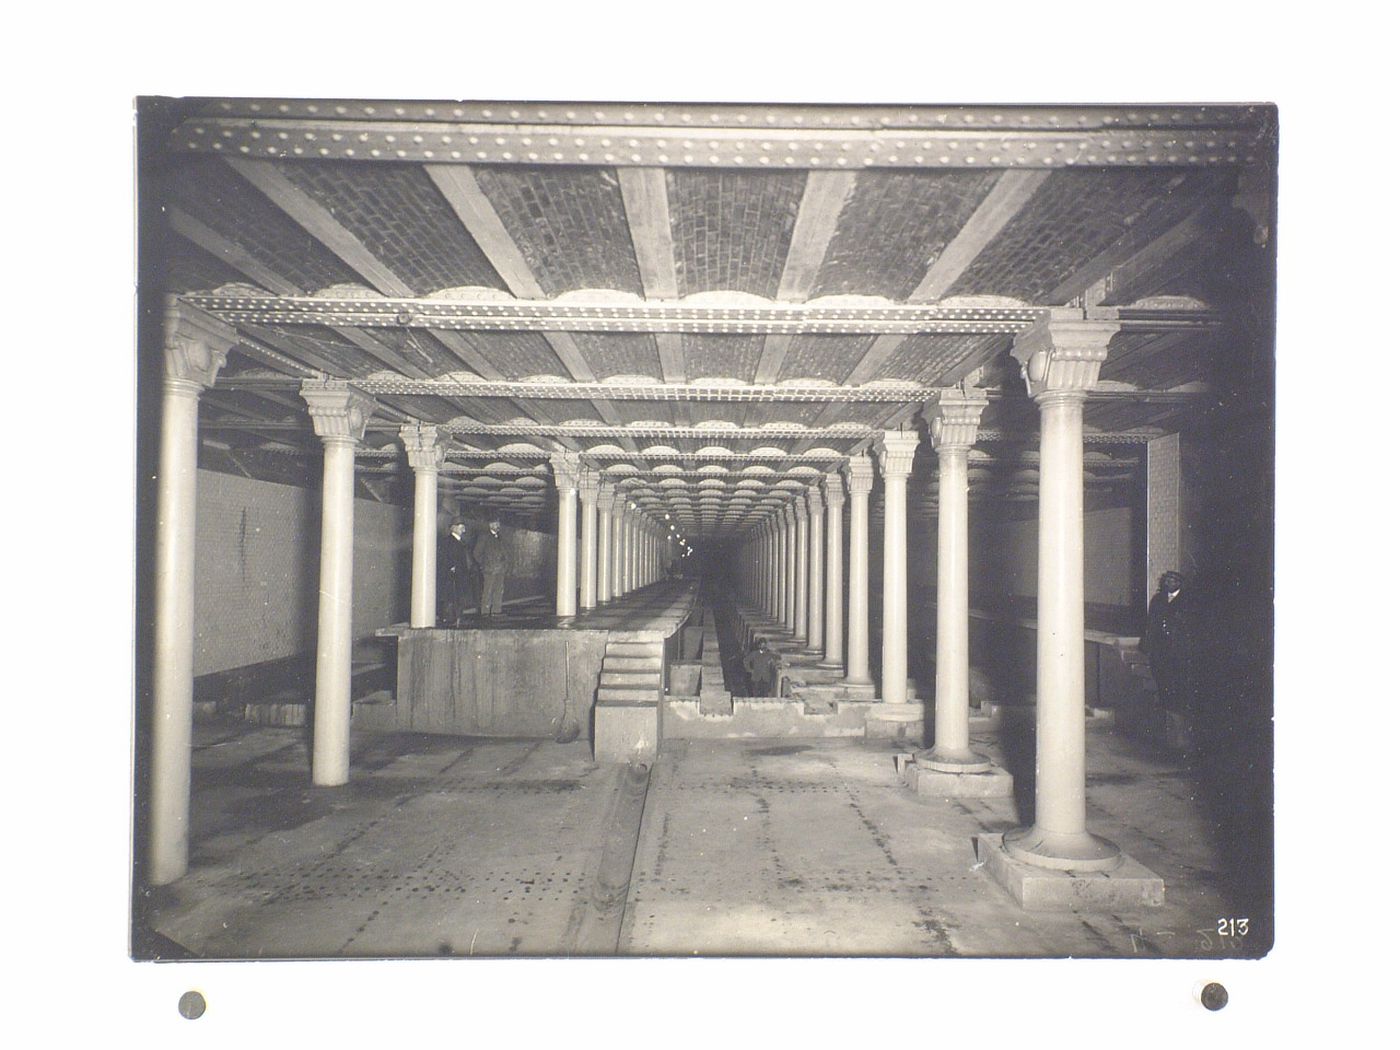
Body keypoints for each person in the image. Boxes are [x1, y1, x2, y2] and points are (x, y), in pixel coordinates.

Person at [1141, 570, 1192, 715]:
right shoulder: (1157, 599)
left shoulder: (1186, 600)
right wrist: (1148, 643)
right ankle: (1164, 703)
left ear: (1180, 583)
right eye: (1167, 580)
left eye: (1173, 580)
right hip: (1159, 645)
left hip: (1176, 645)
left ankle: (1174, 706)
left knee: (1175, 676)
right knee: (1159, 673)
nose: (1169, 583)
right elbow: (1151, 622)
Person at [438, 519, 476, 626]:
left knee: (459, 596)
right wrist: (451, 567)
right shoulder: (448, 541)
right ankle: (451, 618)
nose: (464, 530)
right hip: (453, 574)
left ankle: (458, 617)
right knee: (452, 596)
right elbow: (444, 556)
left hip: (461, 574)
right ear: (454, 528)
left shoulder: (461, 541)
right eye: (461, 527)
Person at [473, 518, 510, 617]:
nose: (498, 526)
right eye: (495, 524)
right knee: (488, 591)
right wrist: (485, 564)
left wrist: (505, 564)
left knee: (499, 591)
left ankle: (496, 611)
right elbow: (476, 553)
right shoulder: (484, 537)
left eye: (498, 523)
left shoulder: (500, 537)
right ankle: (485, 612)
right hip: (489, 570)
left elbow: (505, 552)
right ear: (490, 525)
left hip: (500, 569)